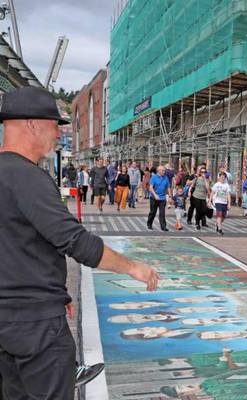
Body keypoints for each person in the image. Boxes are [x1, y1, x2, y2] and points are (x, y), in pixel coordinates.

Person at [0, 86, 160, 400]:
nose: (59, 135)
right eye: (54, 125)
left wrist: (55, 291)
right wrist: (132, 267)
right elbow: (75, 241)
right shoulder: (27, 177)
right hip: (35, 326)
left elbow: (18, 242)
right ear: (32, 124)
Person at [148, 165, 172, 231]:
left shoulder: (166, 178)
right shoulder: (154, 177)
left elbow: (168, 187)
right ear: (158, 171)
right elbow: (150, 188)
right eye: (163, 170)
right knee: (153, 212)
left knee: (162, 213)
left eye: (164, 170)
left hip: (162, 198)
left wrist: (170, 196)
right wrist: (155, 195)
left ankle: (163, 227)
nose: (164, 172)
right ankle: (149, 224)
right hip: (153, 197)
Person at [188, 166, 210, 230]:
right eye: (202, 172)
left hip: (203, 197)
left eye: (204, 172)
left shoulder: (207, 179)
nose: (203, 173)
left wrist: (205, 179)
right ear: (200, 172)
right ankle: (197, 223)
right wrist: (189, 192)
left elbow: (207, 188)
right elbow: (192, 186)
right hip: (196, 196)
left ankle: (201, 220)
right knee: (198, 210)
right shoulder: (196, 178)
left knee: (203, 210)